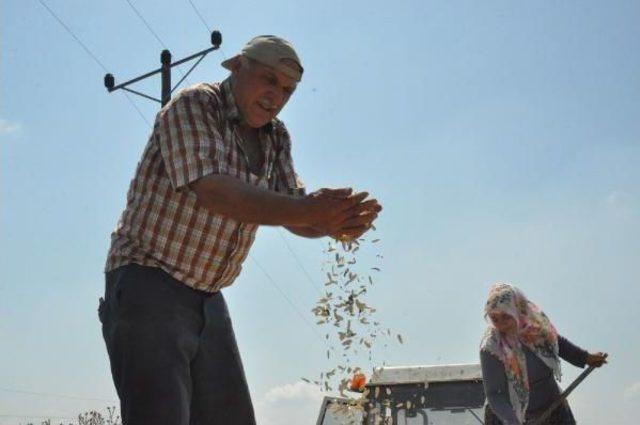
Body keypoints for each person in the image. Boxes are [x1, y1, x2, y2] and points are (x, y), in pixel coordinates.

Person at [98, 35, 382, 425]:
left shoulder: (275, 137)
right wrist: (308, 209)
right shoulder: (195, 105)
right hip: (149, 280)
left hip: (208, 295)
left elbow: (292, 211)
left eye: (287, 90)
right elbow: (214, 191)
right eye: (268, 80)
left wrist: (336, 223)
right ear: (236, 67)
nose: (275, 97)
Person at [480, 283, 607, 425]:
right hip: (507, 415)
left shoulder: (536, 330)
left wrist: (586, 358)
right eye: (494, 318)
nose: (501, 324)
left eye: (505, 316)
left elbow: (559, 344)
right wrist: (513, 422)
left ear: (518, 310)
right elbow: (495, 394)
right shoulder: (491, 348)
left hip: (551, 406)